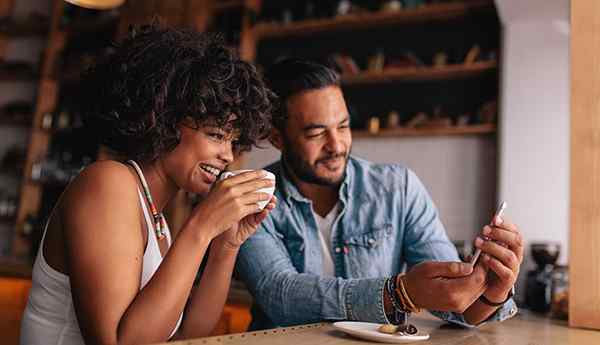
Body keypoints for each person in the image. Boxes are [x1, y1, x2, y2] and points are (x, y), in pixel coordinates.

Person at [20, 24, 277, 345]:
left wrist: (225, 244)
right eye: (215, 135)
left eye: (234, 141)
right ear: (163, 119)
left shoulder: (158, 220)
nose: (227, 155)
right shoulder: (107, 183)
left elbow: (187, 335)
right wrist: (200, 226)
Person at [236, 59, 523, 330]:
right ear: (277, 137)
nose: (336, 145)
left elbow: (455, 302)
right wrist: (399, 293)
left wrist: (490, 293)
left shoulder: (399, 188)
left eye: (343, 126)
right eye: (315, 133)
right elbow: (279, 296)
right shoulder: (252, 197)